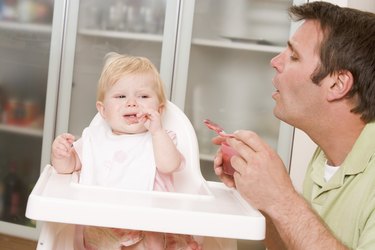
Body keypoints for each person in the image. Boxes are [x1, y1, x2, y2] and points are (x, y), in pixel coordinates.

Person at [212, 2, 375, 250]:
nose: (275, 62)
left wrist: (281, 198)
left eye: (294, 56)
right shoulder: (326, 157)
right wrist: (261, 196)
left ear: (337, 84)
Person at [51, 53, 201, 250]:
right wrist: (60, 154)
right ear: (103, 110)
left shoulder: (162, 138)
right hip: (103, 228)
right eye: (121, 96)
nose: (131, 103)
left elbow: (169, 165)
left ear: (160, 109)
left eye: (143, 96)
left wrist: (157, 131)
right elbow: (67, 168)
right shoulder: (94, 139)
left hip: (152, 227)